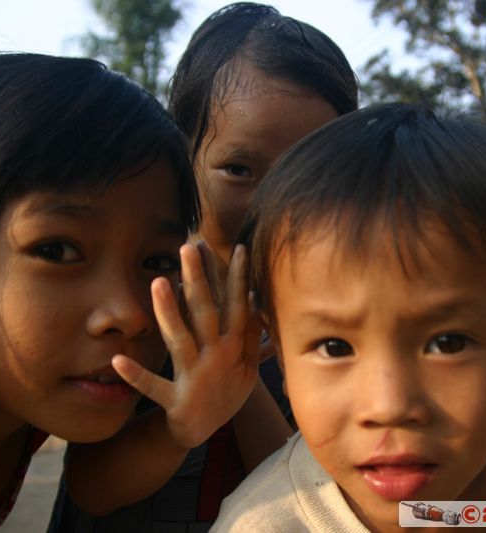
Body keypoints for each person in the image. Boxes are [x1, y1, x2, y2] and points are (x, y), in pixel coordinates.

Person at [0, 53, 259, 532]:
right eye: (57, 250)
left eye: (156, 262)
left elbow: (93, 486)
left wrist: (185, 425)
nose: (131, 314)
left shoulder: (16, 413)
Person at [48, 3, 359, 530]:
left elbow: (312, 502)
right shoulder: (142, 299)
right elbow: (90, 486)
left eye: (310, 170)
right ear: (182, 157)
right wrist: (176, 428)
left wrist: (238, 385)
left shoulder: (348, 315)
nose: (276, 202)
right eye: (240, 169)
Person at [212, 103, 486, 532]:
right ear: (281, 357)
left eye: (448, 343)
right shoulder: (261, 527)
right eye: (335, 347)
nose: (388, 407)